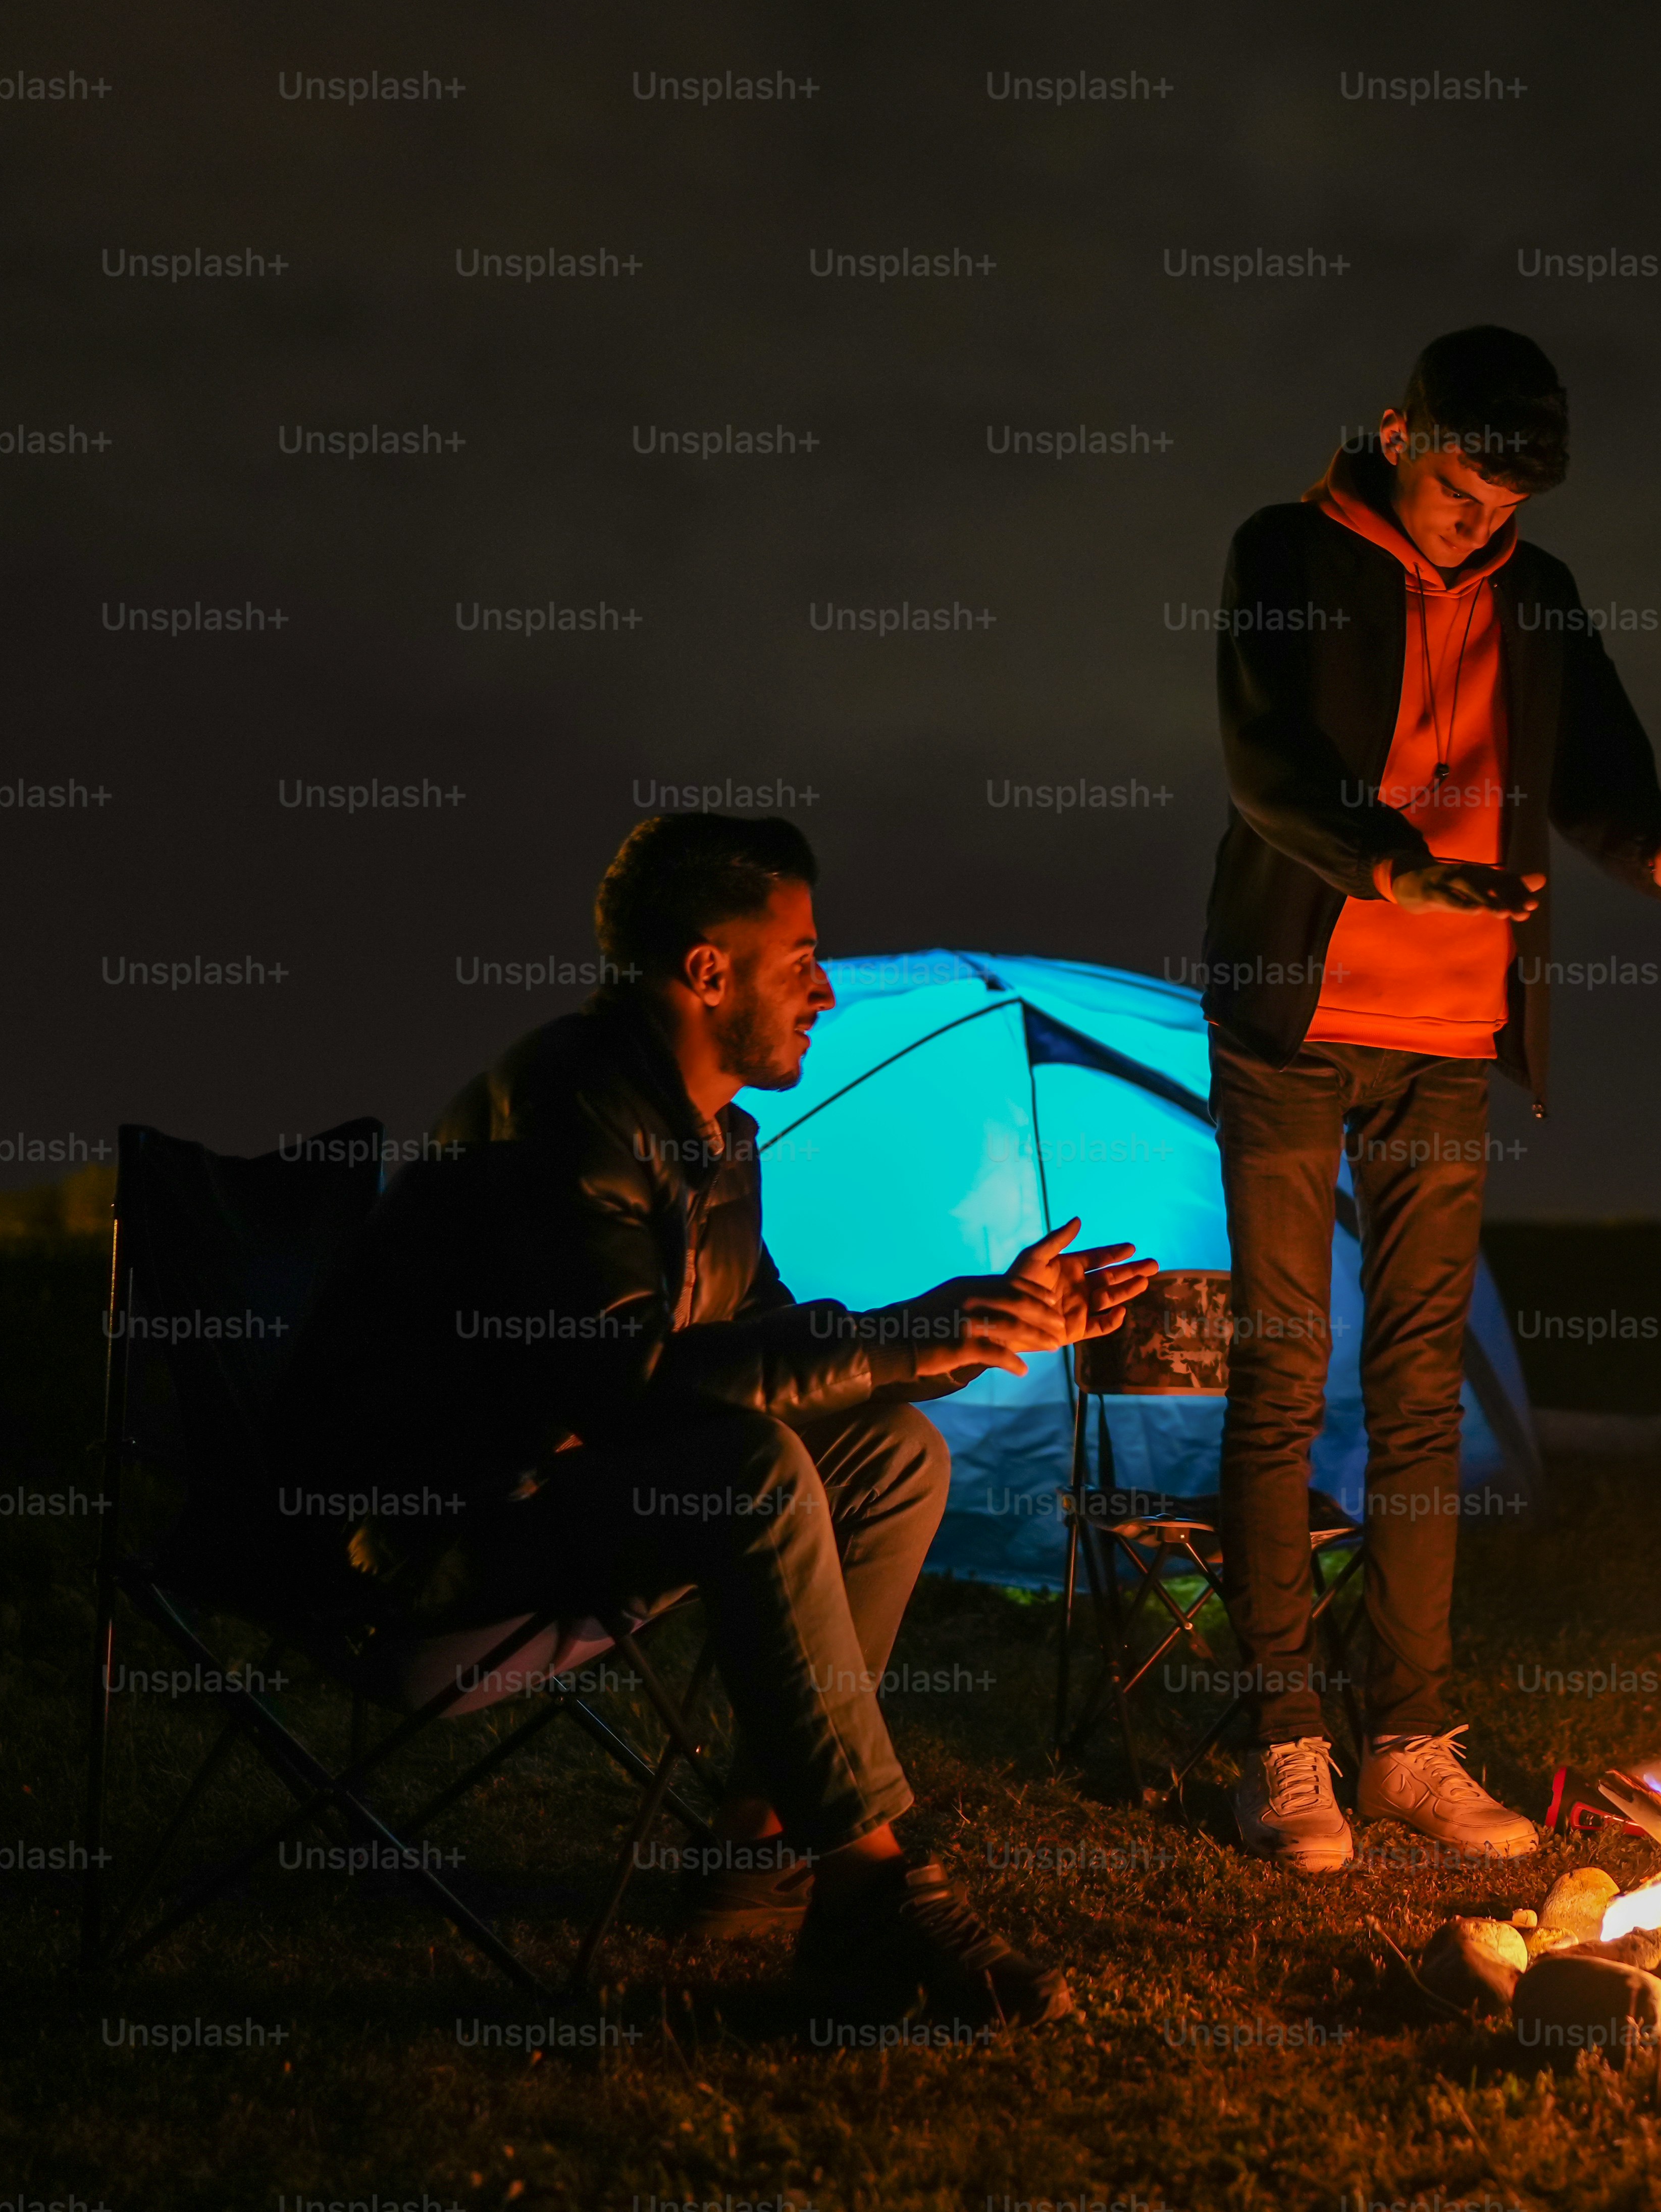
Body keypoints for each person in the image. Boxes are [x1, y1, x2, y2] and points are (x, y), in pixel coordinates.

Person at [269, 813, 1154, 2023]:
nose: (827, 992)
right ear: (707, 971)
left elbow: (775, 1354)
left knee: (892, 1454)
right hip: (438, 1540)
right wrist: (923, 1326)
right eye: (801, 959)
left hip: (577, 1496)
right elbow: (623, 1380)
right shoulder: (567, 1106)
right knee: (749, 1470)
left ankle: (762, 1847)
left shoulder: (717, 1139)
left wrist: (983, 1330)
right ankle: (877, 1894)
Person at [1199, 324, 1661, 1870]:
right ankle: (1282, 1745)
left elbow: (1596, 768)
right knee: (1282, 1371)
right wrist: (1393, 861)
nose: (1482, 525)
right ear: (1399, 434)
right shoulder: (1287, 550)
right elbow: (1264, 763)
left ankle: (1404, 1740)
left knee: (1419, 1389)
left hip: (1452, 1029)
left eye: (1506, 504)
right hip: (1298, 1011)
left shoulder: (1537, 592)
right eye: (1463, 492)